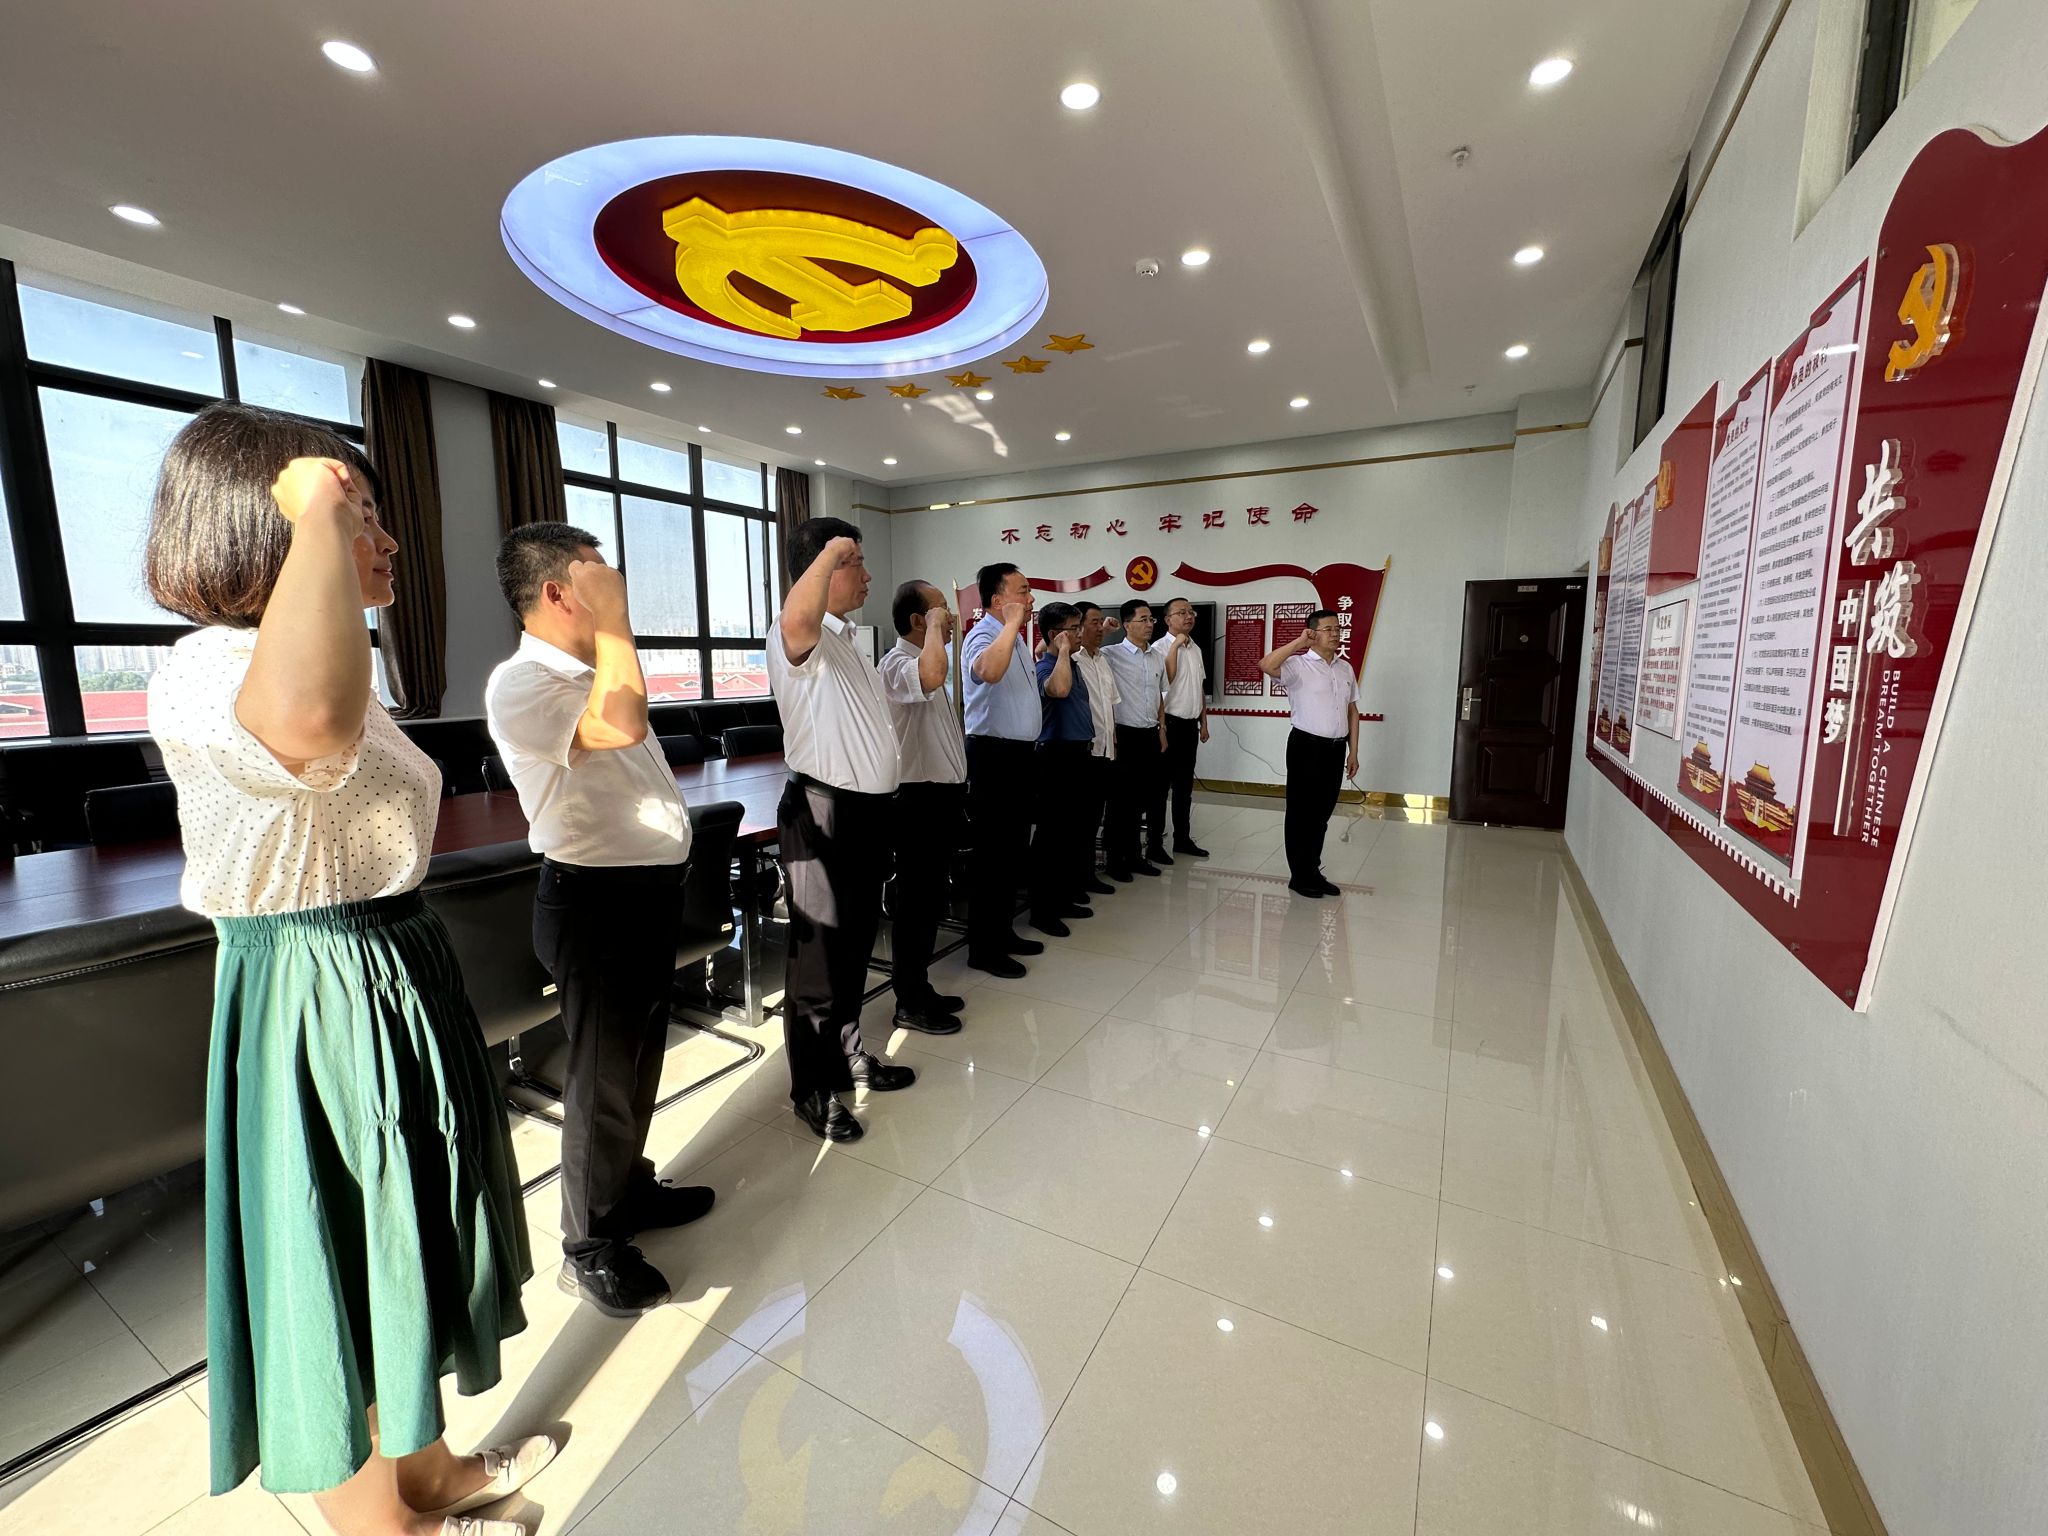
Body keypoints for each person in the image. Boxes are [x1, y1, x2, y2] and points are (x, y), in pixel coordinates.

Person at [145, 403, 549, 1536]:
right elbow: (311, 725)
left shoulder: (328, 663)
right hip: (314, 983)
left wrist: (327, 520)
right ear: (268, 522)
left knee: (403, 1232)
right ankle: (386, 1525)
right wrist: (320, 511)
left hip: (387, 960)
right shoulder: (207, 666)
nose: (386, 539)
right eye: (357, 512)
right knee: (345, 1250)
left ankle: (427, 1472)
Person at [485, 523, 713, 1320]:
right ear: (558, 592)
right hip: (594, 903)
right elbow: (620, 727)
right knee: (602, 1078)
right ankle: (590, 1246)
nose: (615, 585)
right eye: (598, 575)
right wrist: (615, 619)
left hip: (643, 895)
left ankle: (627, 1189)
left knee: (638, 1062)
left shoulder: (591, 671)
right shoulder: (523, 681)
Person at [768, 517, 917, 1143]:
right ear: (823, 569)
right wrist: (832, 549)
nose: (868, 575)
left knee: (854, 949)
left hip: (865, 814)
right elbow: (798, 620)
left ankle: (851, 1055)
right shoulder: (794, 634)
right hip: (822, 813)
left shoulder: (849, 641)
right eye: (855, 562)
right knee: (818, 963)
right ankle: (813, 1088)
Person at [879, 580, 969, 1036]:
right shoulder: (897, 665)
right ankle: (908, 1001)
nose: (949, 619)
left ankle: (921, 986)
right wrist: (936, 631)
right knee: (915, 904)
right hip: (917, 800)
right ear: (917, 620)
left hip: (940, 799)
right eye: (939, 612)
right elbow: (929, 677)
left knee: (932, 900)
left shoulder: (927, 660)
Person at [961, 562, 1044, 976]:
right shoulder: (983, 635)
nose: (1031, 599)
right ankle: (983, 949)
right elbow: (989, 672)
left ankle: (1003, 932)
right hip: (993, 757)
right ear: (998, 600)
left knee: (1012, 853)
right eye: (1023, 591)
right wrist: (1011, 625)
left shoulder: (1016, 639)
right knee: (992, 856)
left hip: (1019, 757)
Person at [1261, 610, 1360, 897]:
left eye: (1337, 628)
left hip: (1336, 748)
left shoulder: (1345, 668)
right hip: (1306, 746)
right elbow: (1266, 665)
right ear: (1313, 633)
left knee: (1321, 814)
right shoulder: (1297, 665)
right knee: (1301, 813)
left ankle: (1313, 870)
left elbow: (1352, 712)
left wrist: (1353, 752)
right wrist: (1298, 642)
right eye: (1328, 629)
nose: (1335, 633)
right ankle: (1299, 875)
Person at [1027, 602, 1095, 936]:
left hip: (1078, 754)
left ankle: (1063, 897)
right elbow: (1059, 690)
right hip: (1055, 756)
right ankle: (1042, 911)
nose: (1080, 633)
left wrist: (1067, 651)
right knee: (1051, 837)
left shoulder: (1072, 664)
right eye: (1073, 628)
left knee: (1071, 833)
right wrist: (1063, 650)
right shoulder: (1045, 667)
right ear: (1055, 634)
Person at [1102, 598, 1168, 879]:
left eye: (1151, 619)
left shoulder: (1156, 656)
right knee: (1120, 802)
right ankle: (1115, 860)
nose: (1150, 624)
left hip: (1149, 735)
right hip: (1124, 735)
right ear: (1127, 624)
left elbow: (1159, 696)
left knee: (1142, 799)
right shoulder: (1110, 655)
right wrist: (1103, 630)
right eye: (1143, 619)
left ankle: (1134, 856)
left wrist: (1162, 728)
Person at [1071, 602, 1121, 899]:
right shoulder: (1072, 659)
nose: (1101, 628)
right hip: (1084, 752)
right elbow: (1040, 650)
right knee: (1080, 821)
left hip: (1105, 750)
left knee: (1094, 818)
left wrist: (1113, 743)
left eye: (1102, 622)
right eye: (1094, 622)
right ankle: (1076, 879)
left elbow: (1109, 705)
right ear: (1077, 627)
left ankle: (1088, 874)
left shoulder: (1102, 660)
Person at [1156, 596, 1211, 858]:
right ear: (1168, 619)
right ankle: (1155, 844)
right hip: (1169, 726)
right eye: (1182, 612)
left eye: (1191, 612)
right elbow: (1160, 689)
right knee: (1159, 789)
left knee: (1184, 788)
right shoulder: (1159, 648)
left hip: (1189, 727)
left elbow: (1199, 687)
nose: (1189, 616)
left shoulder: (1196, 648)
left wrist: (1204, 722)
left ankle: (1182, 839)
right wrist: (1161, 728)